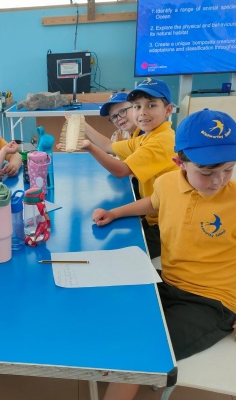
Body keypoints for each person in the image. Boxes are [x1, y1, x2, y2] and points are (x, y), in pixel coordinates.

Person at [92, 109, 236, 400]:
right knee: (105, 297)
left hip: (212, 301)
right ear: (179, 163)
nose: (218, 181)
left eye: (228, 169)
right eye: (207, 172)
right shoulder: (167, 183)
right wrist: (115, 212)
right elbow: (153, 202)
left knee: (140, 351)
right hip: (167, 282)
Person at [83, 78, 179, 259]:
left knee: (121, 256)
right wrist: (82, 124)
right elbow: (109, 146)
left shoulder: (161, 140)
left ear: (168, 110)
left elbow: (121, 170)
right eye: (137, 106)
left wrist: (89, 147)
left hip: (169, 224)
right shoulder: (146, 137)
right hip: (154, 213)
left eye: (151, 105)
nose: (143, 112)